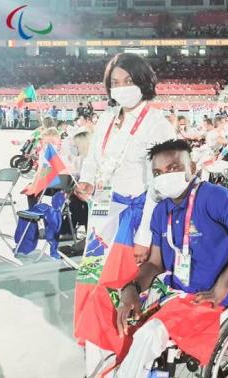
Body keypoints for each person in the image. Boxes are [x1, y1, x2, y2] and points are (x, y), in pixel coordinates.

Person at [113, 139, 228, 377]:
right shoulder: (161, 210)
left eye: (174, 168)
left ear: (193, 167)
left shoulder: (212, 197)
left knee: (147, 336)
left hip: (216, 299)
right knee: (118, 317)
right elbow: (155, 263)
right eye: (158, 172)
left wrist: (223, 283)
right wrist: (132, 288)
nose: (165, 176)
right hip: (177, 296)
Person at [72, 53, 177, 376]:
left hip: (134, 220)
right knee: (90, 286)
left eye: (128, 81)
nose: (121, 88)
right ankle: (97, 361)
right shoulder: (107, 118)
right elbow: (94, 159)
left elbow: (158, 187)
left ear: (143, 82)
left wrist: (145, 235)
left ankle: (117, 362)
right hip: (104, 218)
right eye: (115, 83)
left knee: (113, 293)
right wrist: (87, 179)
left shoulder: (157, 124)